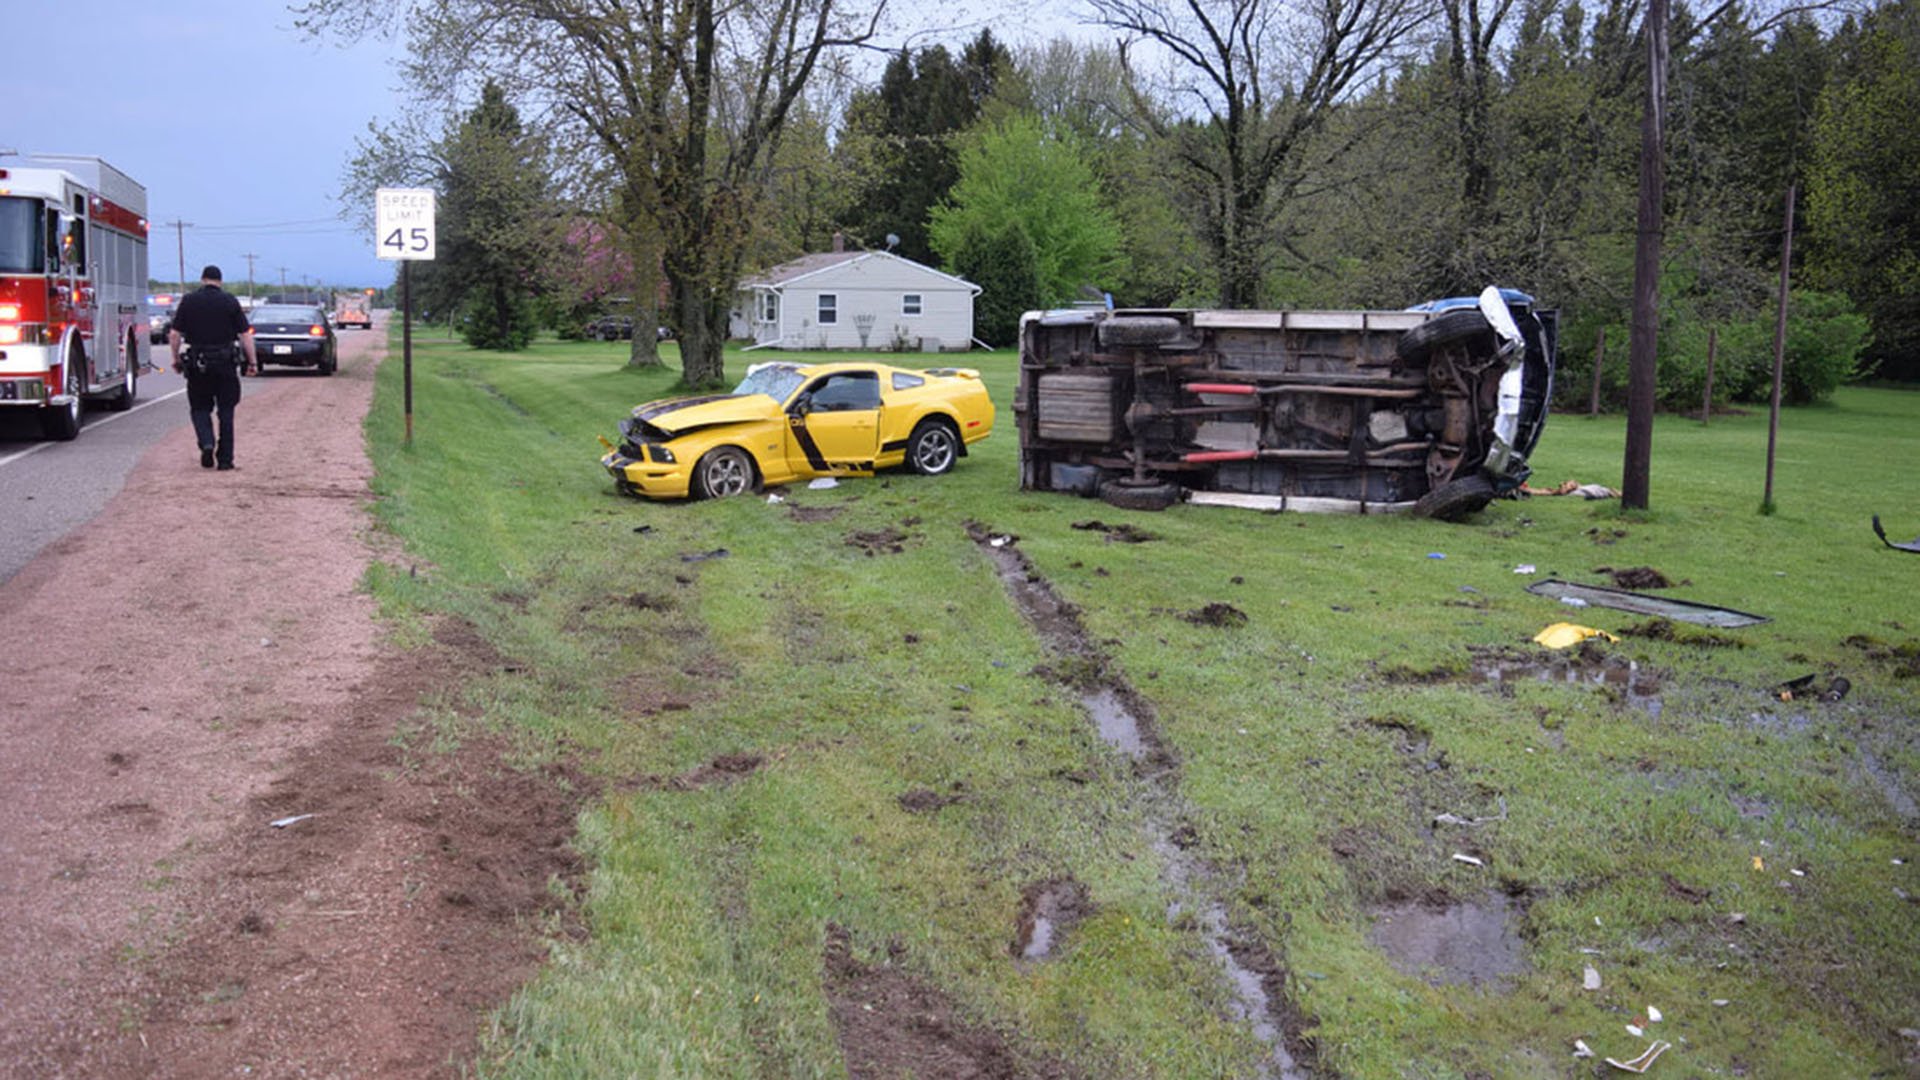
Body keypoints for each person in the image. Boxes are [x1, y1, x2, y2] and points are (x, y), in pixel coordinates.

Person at [168, 265, 257, 471]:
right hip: (225, 364)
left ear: (202, 279)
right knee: (226, 411)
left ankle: (206, 442)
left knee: (200, 408)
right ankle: (225, 459)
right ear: (220, 281)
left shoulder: (189, 301)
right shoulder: (230, 301)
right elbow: (245, 335)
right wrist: (252, 362)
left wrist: (175, 358)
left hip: (199, 363)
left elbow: (174, 334)